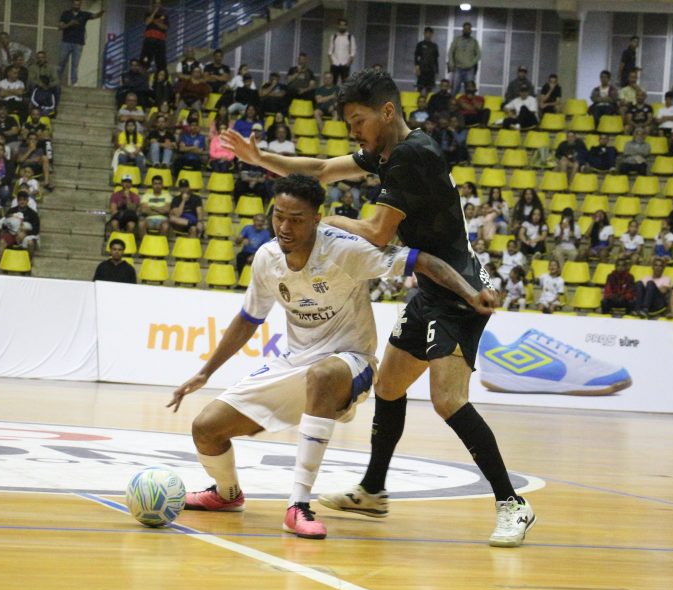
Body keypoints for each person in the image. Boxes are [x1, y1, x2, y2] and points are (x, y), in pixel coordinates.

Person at [220, 69, 536, 546]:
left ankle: (513, 503)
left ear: (387, 112)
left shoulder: (412, 156)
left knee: (449, 401)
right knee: (388, 386)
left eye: (358, 120)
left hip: (460, 291)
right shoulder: (389, 150)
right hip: (430, 288)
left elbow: (376, 232)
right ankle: (372, 489)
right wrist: (260, 157)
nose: (353, 130)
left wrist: (320, 219)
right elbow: (324, 170)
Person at [167, 174, 495, 540]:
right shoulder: (267, 258)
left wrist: (470, 291)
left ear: (317, 218)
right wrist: (205, 373)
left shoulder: (345, 251)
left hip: (349, 361)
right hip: (295, 362)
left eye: (296, 219)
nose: (284, 227)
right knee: (206, 429)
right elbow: (248, 319)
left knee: (323, 375)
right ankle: (227, 494)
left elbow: (422, 261)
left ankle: (298, 505)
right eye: (279, 216)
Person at [58, 0, 103, 86]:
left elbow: (95, 16)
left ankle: (74, 82)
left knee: (75, 64)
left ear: (80, 5)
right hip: (66, 41)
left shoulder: (84, 14)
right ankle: (57, 80)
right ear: (72, 4)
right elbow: (60, 27)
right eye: (75, 4)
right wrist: (70, 24)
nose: (76, 5)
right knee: (62, 62)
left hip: (78, 43)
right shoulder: (66, 13)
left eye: (78, 4)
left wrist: (101, 13)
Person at [447, 22, 480, 95]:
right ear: (463, 30)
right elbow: (450, 52)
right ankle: (451, 104)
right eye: (465, 29)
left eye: (468, 29)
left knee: (470, 90)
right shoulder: (457, 40)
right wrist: (451, 63)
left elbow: (478, 55)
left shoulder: (474, 42)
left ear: (471, 30)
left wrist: (471, 63)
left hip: (469, 70)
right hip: (458, 69)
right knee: (454, 89)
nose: (467, 30)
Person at [140, 0, 169, 73]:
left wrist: (154, 21)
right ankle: (142, 77)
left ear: (161, 5)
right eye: (156, 3)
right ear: (153, 5)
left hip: (160, 41)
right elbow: (147, 22)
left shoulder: (165, 15)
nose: (157, 5)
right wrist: (154, 12)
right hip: (149, 40)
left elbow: (165, 27)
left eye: (159, 3)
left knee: (161, 62)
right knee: (145, 61)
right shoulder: (148, 14)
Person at [328, 18, 355, 85]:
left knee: (345, 84)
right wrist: (332, 62)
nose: (342, 27)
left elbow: (353, 51)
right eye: (340, 25)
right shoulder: (334, 36)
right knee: (333, 83)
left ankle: (343, 96)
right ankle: (333, 95)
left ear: (346, 26)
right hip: (335, 63)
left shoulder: (350, 37)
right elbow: (330, 51)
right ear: (338, 26)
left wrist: (348, 63)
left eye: (344, 25)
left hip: (345, 63)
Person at [414, 27, 439, 96]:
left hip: (431, 70)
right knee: (420, 87)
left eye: (429, 33)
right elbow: (416, 56)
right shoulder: (420, 44)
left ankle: (428, 104)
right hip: (422, 69)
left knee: (429, 88)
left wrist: (436, 70)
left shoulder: (434, 46)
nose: (428, 35)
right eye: (426, 33)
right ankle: (418, 103)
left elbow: (436, 59)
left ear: (432, 34)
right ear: (424, 34)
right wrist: (417, 67)